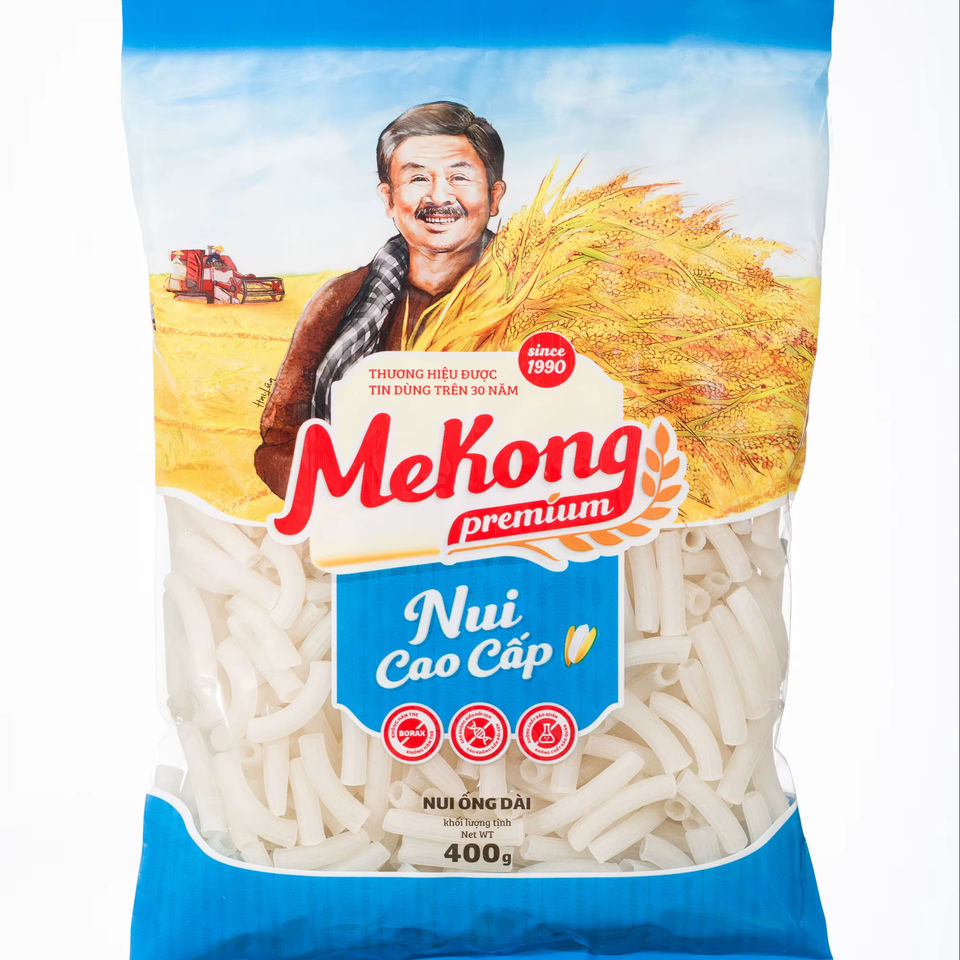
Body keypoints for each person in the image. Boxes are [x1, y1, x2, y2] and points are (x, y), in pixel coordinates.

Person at [254, 101, 506, 498]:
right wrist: (352, 501)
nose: (439, 196)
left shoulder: (537, 295)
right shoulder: (341, 299)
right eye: (417, 178)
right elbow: (280, 441)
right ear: (389, 199)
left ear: (494, 196)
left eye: (459, 177)